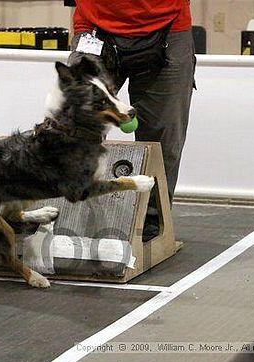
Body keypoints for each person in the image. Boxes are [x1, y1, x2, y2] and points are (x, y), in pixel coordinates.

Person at [67, 0, 196, 241]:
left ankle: (151, 221)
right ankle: (70, 213)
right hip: (95, 30)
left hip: (168, 29)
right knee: (75, 128)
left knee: (163, 138)